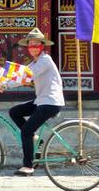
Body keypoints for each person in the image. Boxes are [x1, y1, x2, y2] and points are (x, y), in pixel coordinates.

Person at [7, 28, 64, 176]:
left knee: (26, 130)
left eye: (36, 44)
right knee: (14, 112)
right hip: (41, 101)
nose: (33, 47)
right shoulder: (34, 62)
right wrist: (1, 82)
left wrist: (5, 84)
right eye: (30, 45)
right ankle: (35, 139)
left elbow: (28, 76)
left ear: (42, 46)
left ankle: (28, 166)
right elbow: (21, 75)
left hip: (50, 102)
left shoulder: (46, 60)